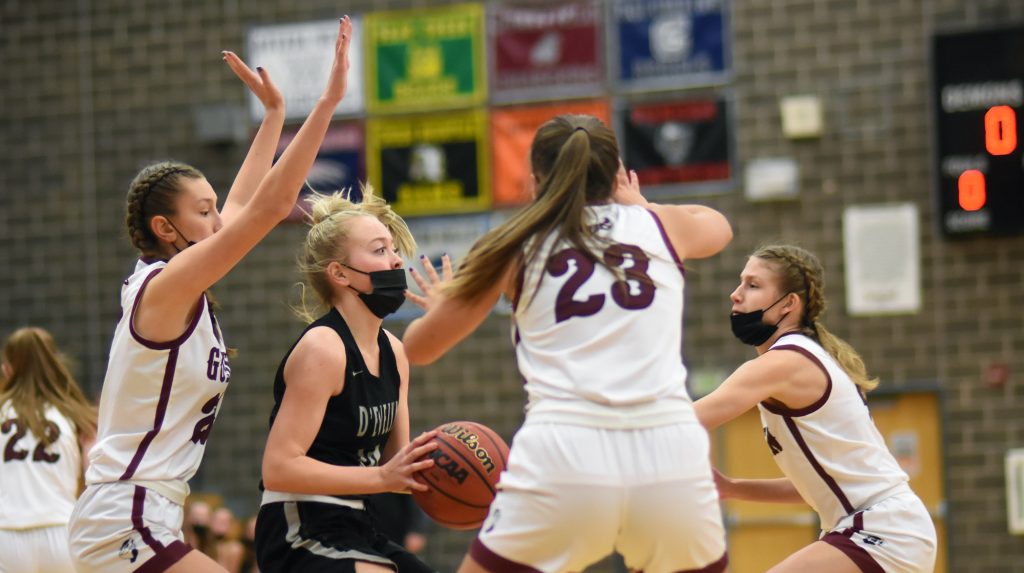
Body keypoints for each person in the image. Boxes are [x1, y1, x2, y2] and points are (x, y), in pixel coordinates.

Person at [66, 16, 356, 573]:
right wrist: (327, 103)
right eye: (204, 212)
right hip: (123, 513)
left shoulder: (180, 281)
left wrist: (273, 116)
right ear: (164, 229)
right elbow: (270, 208)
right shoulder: (162, 290)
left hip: (150, 510)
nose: (220, 220)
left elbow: (246, 204)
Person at [401, 114, 733, 573]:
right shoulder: (663, 228)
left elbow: (418, 349)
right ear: (615, 173)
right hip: (668, 451)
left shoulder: (512, 244)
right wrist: (641, 205)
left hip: (565, 455)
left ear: (535, 179)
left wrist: (442, 302)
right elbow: (719, 226)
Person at [693, 245, 937, 573]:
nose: (735, 295)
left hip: (883, 529)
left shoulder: (784, 363)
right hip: (887, 527)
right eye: (740, 283)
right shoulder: (806, 355)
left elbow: (686, 421)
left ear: (788, 304)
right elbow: (819, 484)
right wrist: (731, 488)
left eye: (753, 285)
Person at [254, 187, 439, 573]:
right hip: (299, 526)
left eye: (392, 249)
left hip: (360, 523)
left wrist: (462, 472)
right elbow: (278, 467)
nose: (394, 260)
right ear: (339, 273)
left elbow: (395, 468)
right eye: (378, 250)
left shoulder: (395, 352)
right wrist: (382, 477)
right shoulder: (324, 348)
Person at [0, 327, 97, 573]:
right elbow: (96, 475)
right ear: (55, 363)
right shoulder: (76, 415)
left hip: (6, 532)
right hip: (61, 530)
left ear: (7, 368)